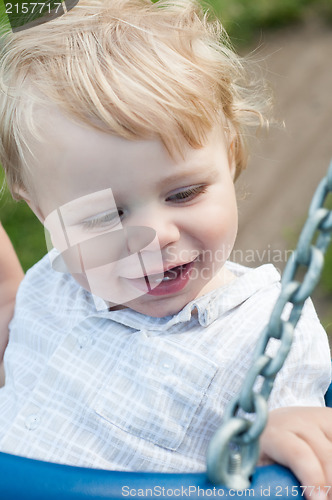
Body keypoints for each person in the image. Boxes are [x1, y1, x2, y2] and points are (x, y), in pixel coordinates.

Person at [0, 0, 331, 498]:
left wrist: (277, 435)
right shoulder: (50, 284)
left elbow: (297, 457)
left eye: (185, 193)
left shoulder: (265, 330)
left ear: (232, 156)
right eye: (104, 216)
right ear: (44, 215)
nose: (157, 235)